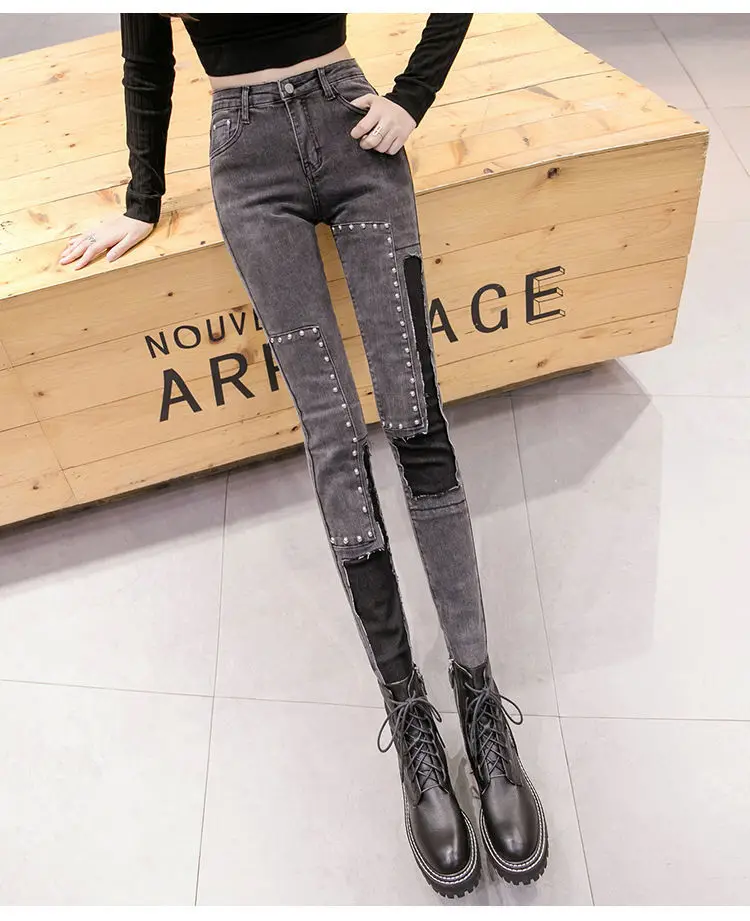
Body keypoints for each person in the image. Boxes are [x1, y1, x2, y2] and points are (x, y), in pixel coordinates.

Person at [58, 13, 548, 898]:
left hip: (351, 125)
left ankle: (479, 699)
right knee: (334, 438)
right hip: (247, 162)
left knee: (416, 417)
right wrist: (140, 201)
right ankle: (411, 714)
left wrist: (414, 95)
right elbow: (146, 61)